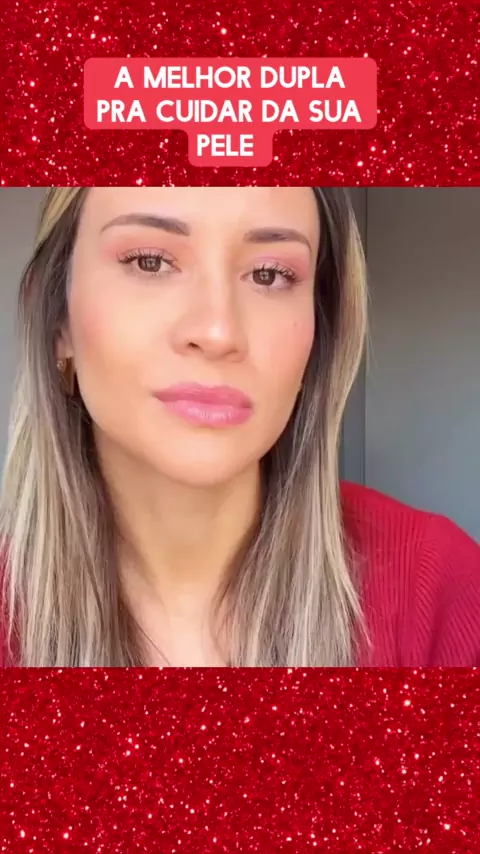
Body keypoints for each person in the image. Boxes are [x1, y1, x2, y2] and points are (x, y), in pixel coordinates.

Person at [0, 187, 479, 668]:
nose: (218, 332)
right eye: (150, 262)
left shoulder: (440, 590)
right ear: (57, 318)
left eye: (269, 274)